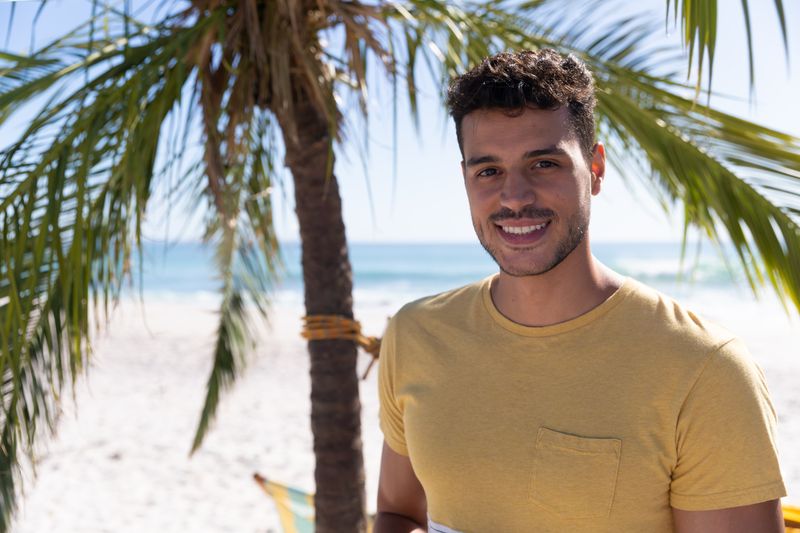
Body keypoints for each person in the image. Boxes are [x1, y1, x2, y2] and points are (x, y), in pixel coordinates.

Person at [373, 49, 787, 533]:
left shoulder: (704, 370)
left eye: (544, 163)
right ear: (465, 178)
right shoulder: (414, 335)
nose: (514, 197)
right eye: (488, 171)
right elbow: (398, 513)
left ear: (595, 168)